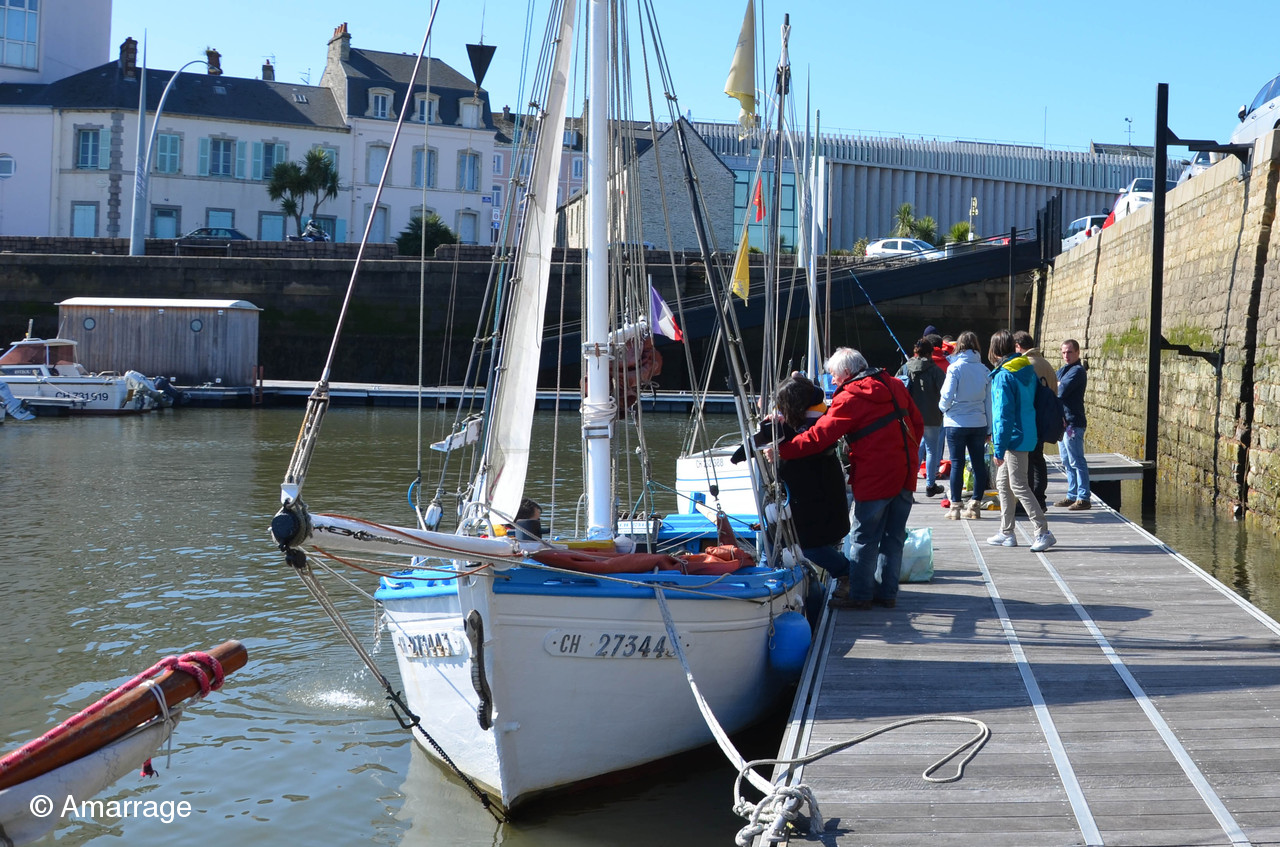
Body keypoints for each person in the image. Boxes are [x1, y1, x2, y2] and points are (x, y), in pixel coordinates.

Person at [777, 347, 922, 610]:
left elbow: (820, 436)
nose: (832, 381)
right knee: (893, 537)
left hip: (875, 475)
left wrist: (783, 449)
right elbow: (917, 423)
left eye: (833, 375)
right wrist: (906, 454)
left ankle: (860, 595)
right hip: (906, 471)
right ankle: (887, 594)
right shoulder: (894, 385)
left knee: (863, 538)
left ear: (846, 372)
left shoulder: (851, 396)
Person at [771, 374, 852, 585]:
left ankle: (849, 573)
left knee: (809, 545)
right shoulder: (816, 416)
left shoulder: (815, 425)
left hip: (817, 497)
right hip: (814, 494)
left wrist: (779, 452)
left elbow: (807, 447)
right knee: (796, 541)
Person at [987, 330, 1056, 552]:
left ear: (995, 350)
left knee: (1018, 485)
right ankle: (1006, 532)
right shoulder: (1026, 369)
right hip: (1027, 432)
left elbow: (1003, 415)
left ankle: (1043, 531)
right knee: (1002, 483)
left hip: (1013, 437)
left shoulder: (1004, 376)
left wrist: (998, 448)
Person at [938, 331, 990, 520]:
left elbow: (947, 395)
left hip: (956, 422)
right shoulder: (984, 370)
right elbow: (989, 402)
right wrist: (989, 428)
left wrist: (943, 408)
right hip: (979, 422)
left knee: (957, 463)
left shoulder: (954, 368)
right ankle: (975, 505)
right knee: (978, 464)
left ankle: (955, 508)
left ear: (959, 346)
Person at [1013, 331, 1057, 511]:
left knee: (1028, 460)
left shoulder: (1024, 364)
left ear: (1018, 346)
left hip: (1030, 418)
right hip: (1046, 417)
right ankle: (1040, 499)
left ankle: (1029, 502)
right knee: (1038, 457)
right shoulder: (1046, 364)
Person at [898, 338, 946, 497]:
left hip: (910, 418)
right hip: (932, 417)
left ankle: (908, 487)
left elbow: (895, 387)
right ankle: (930, 485)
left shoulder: (905, 368)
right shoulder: (936, 371)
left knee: (913, 451)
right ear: (930, 353)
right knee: (931, 451)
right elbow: (945, 392)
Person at [1056, 339, 1091, 510]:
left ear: (1077, 352)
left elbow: (1060, 391)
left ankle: (1083, 497)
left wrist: (1057, 385)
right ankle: (1072, 494)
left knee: (1076, 460)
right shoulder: (1063, 370)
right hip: (1063, 423)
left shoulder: (1077, 371)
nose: (1066, 355)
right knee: (1066, 461)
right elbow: (1051, 387)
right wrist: (1057, 385)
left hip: (1073, 423)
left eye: (1069, 352)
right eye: (1063, 352)